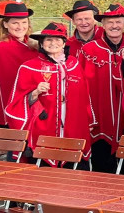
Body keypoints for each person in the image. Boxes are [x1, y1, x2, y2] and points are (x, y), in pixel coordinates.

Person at [5, 22, 93, 161]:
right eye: (48, 40)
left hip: (73, 125)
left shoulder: (74, 64)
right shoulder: (28, 67)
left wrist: (89, 119)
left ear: (64, 44)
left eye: (58, 39)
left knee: (73, 166)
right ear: (41, 43)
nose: (53, 43)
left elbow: (84, 96)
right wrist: (35, 92)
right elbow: (15, 103)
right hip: (43, 126)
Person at [79, 3, 124, 173]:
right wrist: (87, 116)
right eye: (110, 22)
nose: (114, 26)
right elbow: (80, 85)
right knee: (100, 171)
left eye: (118, 21)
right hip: (99, 121)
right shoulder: (89, 50)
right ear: (102, 24)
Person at [0, 1, 36, 134]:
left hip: (35, 107)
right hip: (12, 109)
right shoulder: (1, 48)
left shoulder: (35, 46)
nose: (20, 27)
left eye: (24, 22)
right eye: (15, 23)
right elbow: (2, 84)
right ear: (5, 24)